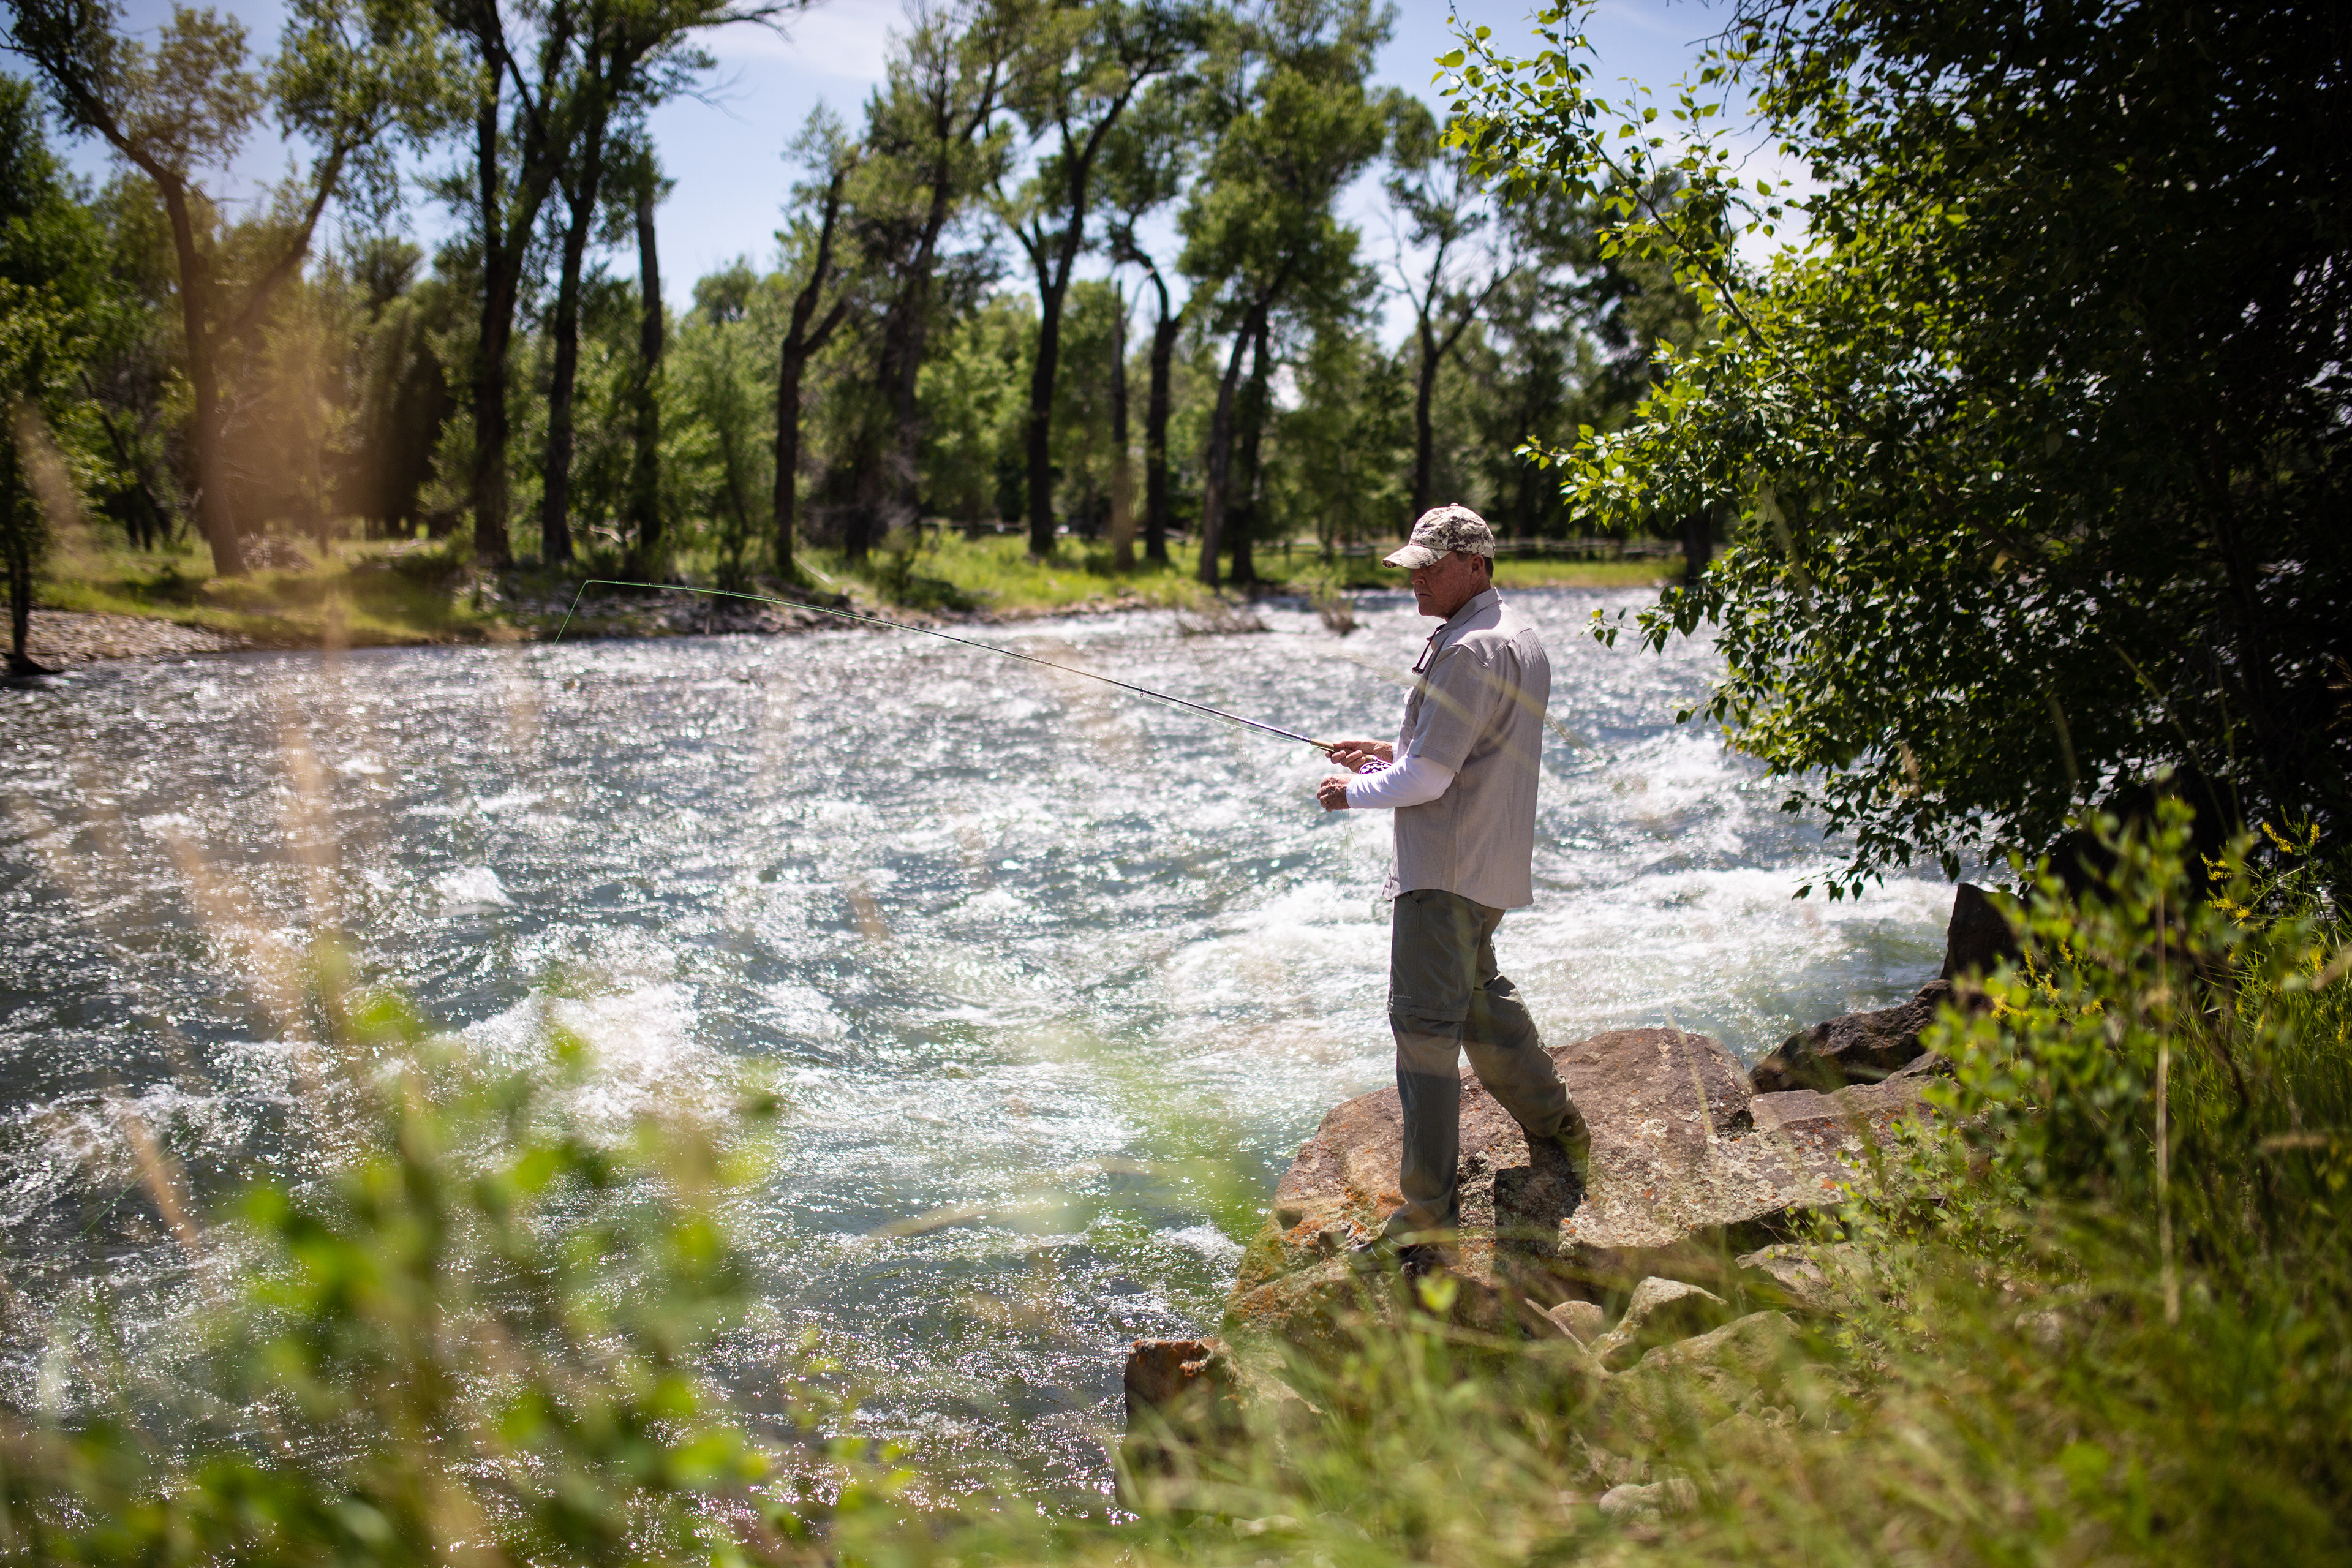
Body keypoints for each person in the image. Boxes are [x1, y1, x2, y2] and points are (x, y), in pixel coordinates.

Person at [1316, 503, 1589, 1265]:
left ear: (1475, 564)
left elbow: (1431, 778)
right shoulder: (1517, 635)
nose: (1416, 581)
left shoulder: (1467, 649)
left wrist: (1352, 791)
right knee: (1479, 1003)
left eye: (1430, 567)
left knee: (1423, 1035)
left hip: (1442, 875)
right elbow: (1463, 748)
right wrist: (1385, 751)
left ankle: (1427, 1213)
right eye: (1414, 568)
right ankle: (1560, 1126)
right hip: (1490, 864)